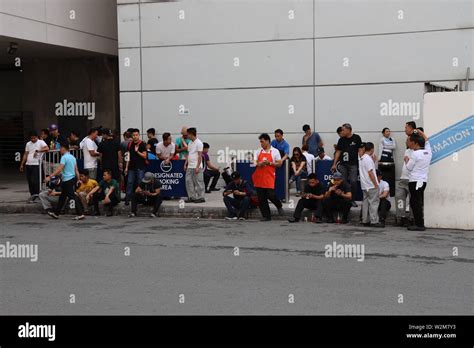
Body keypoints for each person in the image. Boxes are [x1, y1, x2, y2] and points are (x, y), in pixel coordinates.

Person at [45, 143, 85, 220]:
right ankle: (56, 213)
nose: (59, 150)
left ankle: (80, 213)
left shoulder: (64, 157)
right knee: (63, 197)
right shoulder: (72, 157)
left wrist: (50, 177)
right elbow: (76, 169)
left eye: (60, 148)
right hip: (71, 179)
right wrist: (78, 179)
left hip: (67, 180)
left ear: (64, 148)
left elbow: (59, 169)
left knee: (72, 196)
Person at [252, 133, 284, 221]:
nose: (261, 144)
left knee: (271, 194)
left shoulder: (275, 151)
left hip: (269, 176)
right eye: (260, 142)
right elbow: (254, 162)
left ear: (267, 141)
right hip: (259, 176)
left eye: (262, 142)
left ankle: (279, 205)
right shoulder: (258, 151)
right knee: (261, 198)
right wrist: (260, 163)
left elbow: (279, 163)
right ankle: (266, 216)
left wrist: (269, 163)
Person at [405, 133, 432, 231]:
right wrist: (421, 133)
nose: (409, 143)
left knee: (415, 202)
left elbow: (408, 168)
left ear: (416, 143)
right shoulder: (428, 152)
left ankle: (419, 225)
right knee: (417, 202)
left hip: (415, 181)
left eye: (411, 142)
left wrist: (406, 160)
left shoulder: (415, 154)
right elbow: (427, 140)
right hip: (423, 181)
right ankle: (419, 223)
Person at [331, 123, 362, 207]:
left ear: (348, 130)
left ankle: (352, 199)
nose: (342, 131)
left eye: (343, 130)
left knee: (353, 181)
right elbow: (338, 152)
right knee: (342, 181)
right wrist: (334, 164)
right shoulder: (341, 140)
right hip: (343, 164)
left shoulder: (356, 138)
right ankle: (344, 198)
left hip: (353, 164)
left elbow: (360, 150)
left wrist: (362, 160)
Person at [359, 142, 384, 228]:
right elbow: (370, 173)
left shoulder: (362, 158)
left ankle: (365, 220)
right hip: (371, 185)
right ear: (372, 149)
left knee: (365, 203)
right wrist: (376, 184)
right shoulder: (368, 159)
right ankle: (374, 221)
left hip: (364, 185)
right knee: (374, 203)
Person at [20, 131, 49, 202]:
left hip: (36, 164)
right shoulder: (28, 144)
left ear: (37, 137)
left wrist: (38, 150)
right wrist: (22, 164)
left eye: (34, 138)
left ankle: (37, 195)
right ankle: (32, 195)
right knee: (30, 181)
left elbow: (47, 148)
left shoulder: (41, 142)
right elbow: (26, 154)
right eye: (31, 138)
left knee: (35, 181)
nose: (33, 139)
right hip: (28, 164)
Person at [125, 129, 148, 204]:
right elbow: (128, 156)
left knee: (140, 182)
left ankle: (141, 198)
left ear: (139, 135)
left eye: (136, 135)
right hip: (131, 167)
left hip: (140, 167)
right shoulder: (129, 144)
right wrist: (126, 167)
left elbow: (145, 156)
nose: (135, 136)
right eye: (134, 135)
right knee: (130, 182)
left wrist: (137, 151)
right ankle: (128, 198)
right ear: (132, 136)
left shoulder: (142, 144)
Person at [184, 127, 205, 203]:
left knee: (198, 181)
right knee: (188, 181)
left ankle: (201, 197)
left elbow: (200, 156)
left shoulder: (199, 143)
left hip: (196, 166)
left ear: (191, 134)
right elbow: (189, 154)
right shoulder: (190, 143)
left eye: (188, 134)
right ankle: (191, 196)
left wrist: (197, 167)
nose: (187, 136)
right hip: (190, 165)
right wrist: (185, 164)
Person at [395, 137, 413, 227]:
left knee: (412, 200)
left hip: (412, 179)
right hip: (403, 179)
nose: (405, 142)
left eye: (407, 140)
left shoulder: (417, 152)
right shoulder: (407, 151)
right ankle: (400, 217)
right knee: (399, 198)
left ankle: (411, 218)